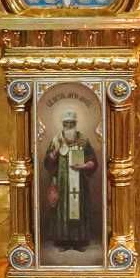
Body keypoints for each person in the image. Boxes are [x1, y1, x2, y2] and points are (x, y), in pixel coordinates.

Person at [40, 107, 100, 257]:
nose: (68, 126)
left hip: (80, 182)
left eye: (71, 123)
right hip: (61, 182)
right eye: (66, 123)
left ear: (75, 124)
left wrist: (84, 166)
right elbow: (48, 162)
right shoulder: (56, 140)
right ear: (62, 124)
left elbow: (93, 161)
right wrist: (54, 153)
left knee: (79, 208)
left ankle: (79, 241)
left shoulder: (83, 140)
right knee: (63, 210)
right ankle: (63, 241)